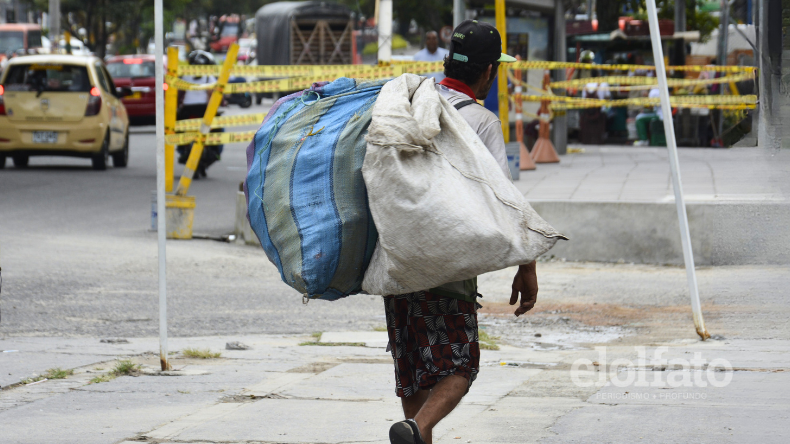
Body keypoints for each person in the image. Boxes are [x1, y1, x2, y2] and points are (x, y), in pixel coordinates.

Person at [386, 19, 539, 444]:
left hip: (397, 264)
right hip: (448, 269)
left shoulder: (412, 102)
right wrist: (527, 266)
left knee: (416, 375)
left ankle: (414, 428)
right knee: (459, 366)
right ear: (489, 71)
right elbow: (503, 200)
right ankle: (415, 430)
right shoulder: (481, 121)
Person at [177, 50, 223, 178]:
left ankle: (182, 148)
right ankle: (215, 151)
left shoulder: (185, 76)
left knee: (177, 129)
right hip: (204, 111)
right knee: (219, 130)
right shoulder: (209, 76)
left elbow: (178, 94)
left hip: (187, 110)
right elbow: (212, 95)